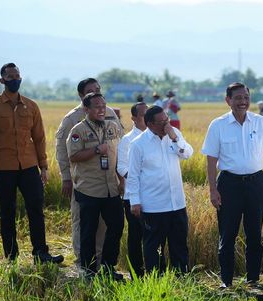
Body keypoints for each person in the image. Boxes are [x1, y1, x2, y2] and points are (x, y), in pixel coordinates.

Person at [0, 62, 64, 264]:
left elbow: (40, 138)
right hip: (2, 166)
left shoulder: (31, 106)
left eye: (17, 76)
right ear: (2, 80)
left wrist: (44, 166)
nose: (15, 80)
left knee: (36, 207)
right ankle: (11, 256)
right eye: (10, 77)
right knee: (8, 210)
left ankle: (41, 253)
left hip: (29, 165)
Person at [202, 82, 263, 288]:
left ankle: (253, 280)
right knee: (227, 235)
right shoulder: (218, 125)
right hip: (229, 184)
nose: (243, 102)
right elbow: (210, 159)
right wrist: (213, 189)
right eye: (238, 98)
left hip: (255, 183)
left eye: (246, 97)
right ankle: (226, 282)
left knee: (255, 234)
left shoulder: (260, 122)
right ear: (228, 100)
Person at [55, 78, 122, 268]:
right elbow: (65, 151)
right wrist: (66, 178)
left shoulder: (109, 116)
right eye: (91, 91)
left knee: (111, 226)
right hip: (86, 185)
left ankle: (105, 265)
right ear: (82, 97)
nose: (100, 106)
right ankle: (84, 264)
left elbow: (120, 146)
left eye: (98, 90)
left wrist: (122, 177)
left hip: (110, 185)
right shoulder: (73, 120)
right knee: (85, 226)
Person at [126, 105, 193, 274]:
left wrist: (174, 137)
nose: (166, 125)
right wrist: (134, 201)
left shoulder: (174, 134)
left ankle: (181, 279)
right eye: (162, 122)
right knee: (154, 247)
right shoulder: (138, 144)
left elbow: (187, 154)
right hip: (153, 205)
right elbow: (132, 175)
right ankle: (156, 281)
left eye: (167, 120)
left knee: (179, 244)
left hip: (177, 203)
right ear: (149, 124)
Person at [117, 101, 148, 277]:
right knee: (136, 236)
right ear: (134, 118)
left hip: (154, 196)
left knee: (154, 236)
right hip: (133, 196)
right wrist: (142, 180)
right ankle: (136, 273)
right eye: (143, 115)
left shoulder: (158, 137)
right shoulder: (127, 140)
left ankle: (156, 270)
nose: (147, 117)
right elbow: (121, 167)